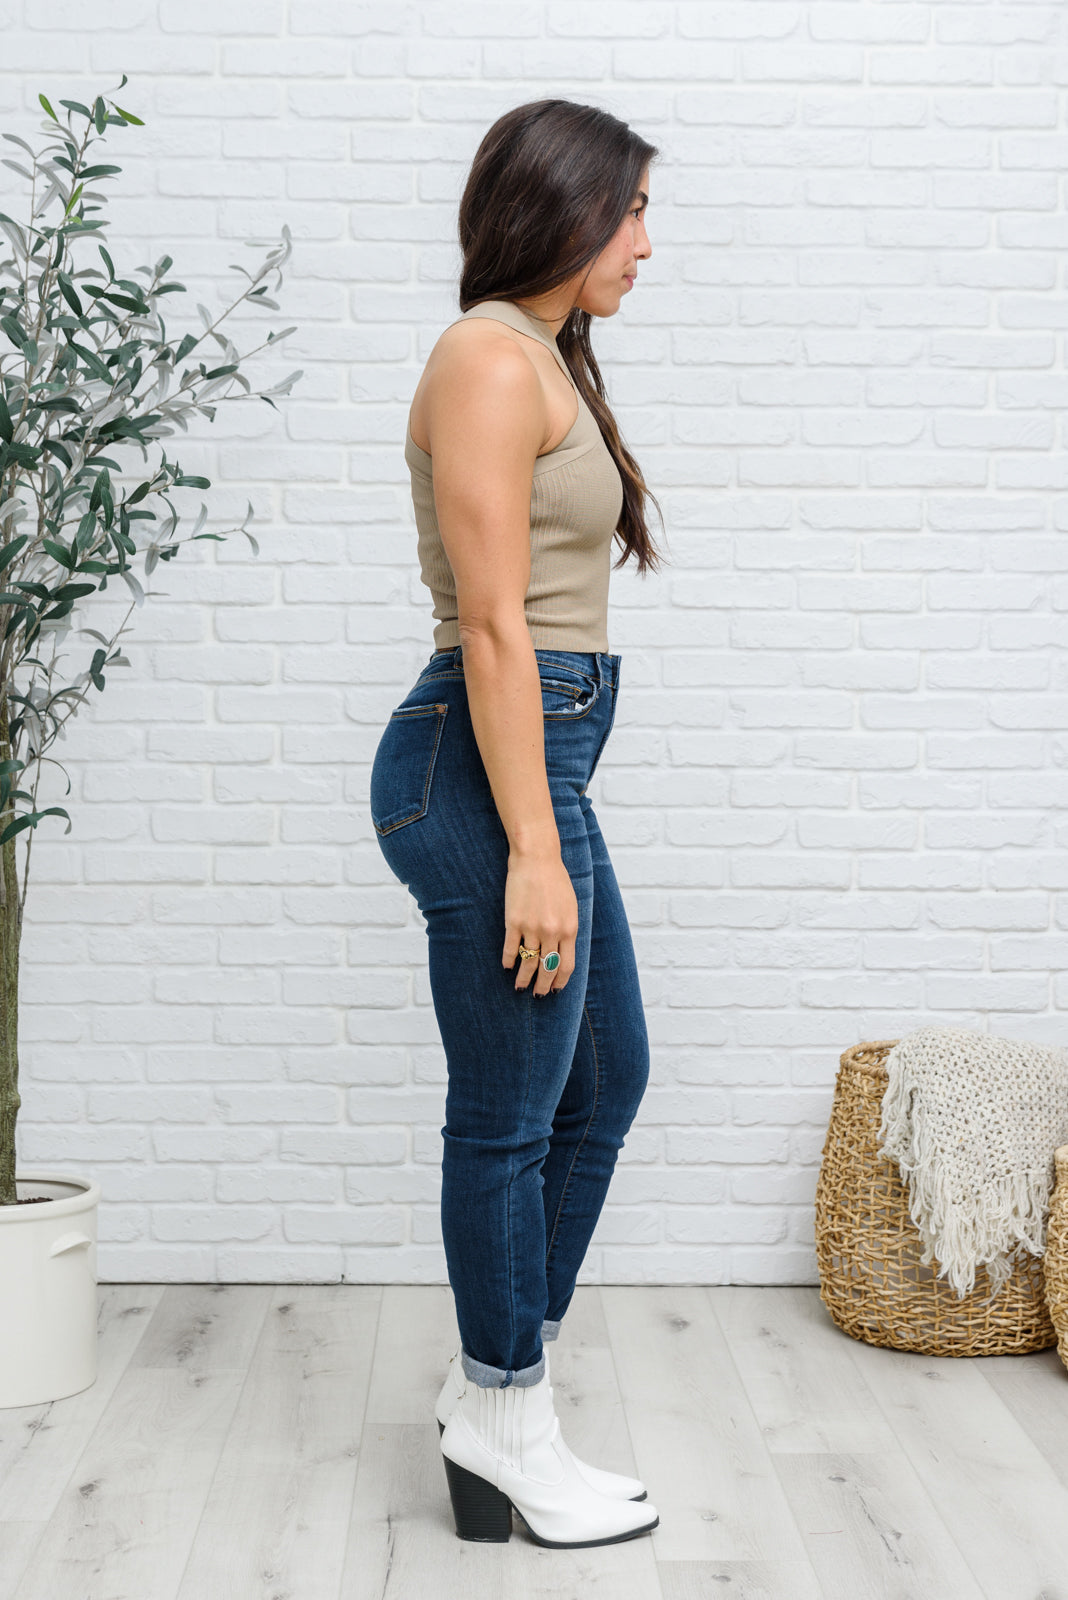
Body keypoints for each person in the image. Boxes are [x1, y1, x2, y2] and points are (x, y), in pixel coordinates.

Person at [368, 98, 666, 1549]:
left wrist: (551, 820)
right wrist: (534, 850)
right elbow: (492, 623)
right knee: (508, 1118)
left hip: (536, 766)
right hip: (484, 773)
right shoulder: (488, 358)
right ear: (559, 206)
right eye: (627, 214)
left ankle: (501, 1388)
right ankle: (502, 1409)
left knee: (605, 1078)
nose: (645, 245)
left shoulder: (541, 356)